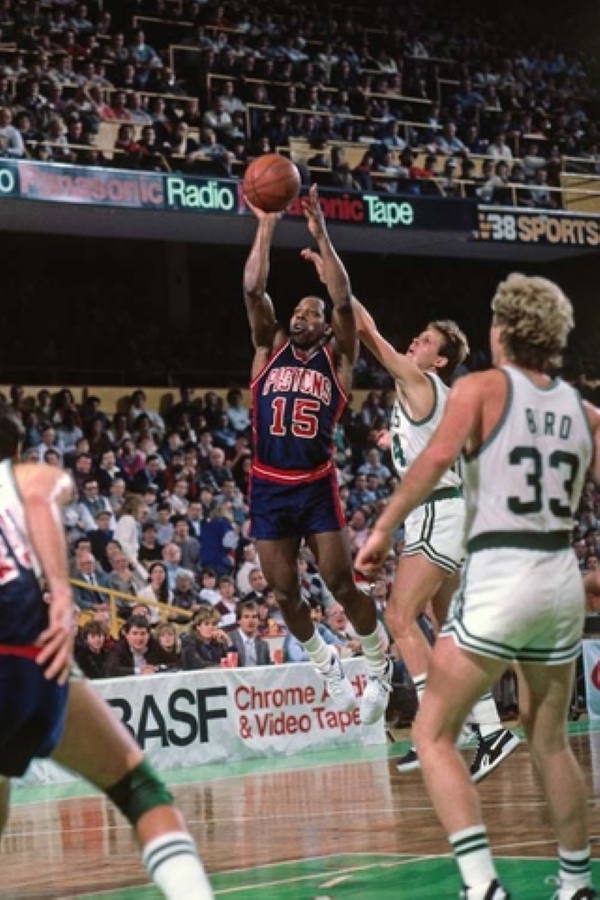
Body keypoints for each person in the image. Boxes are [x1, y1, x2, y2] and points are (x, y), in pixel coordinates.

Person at [356, 273, 600, 900]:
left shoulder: (481, 389)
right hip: (560, 579)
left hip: (503, 575)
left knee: (432, 733)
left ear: (502, 332)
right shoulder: (583, 411)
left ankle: (481, 884)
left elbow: (434, 461)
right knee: (551, 742)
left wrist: (382, 528)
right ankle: (576, 883)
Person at [304, 246, 518, 776]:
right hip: (448, 513)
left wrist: (333, 277)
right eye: (418, 336)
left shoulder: (418, 381)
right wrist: (392, 442)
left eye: (425, 341)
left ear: (438, 360)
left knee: (399, 617)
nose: (415, 342)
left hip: (437, 514)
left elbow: (368, 331)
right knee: (445, 627)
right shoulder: (431, 395)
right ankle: (489, 730)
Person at [0, 409, 213, 899]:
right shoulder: (23, 476)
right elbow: (40, 493)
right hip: (25, 652)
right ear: (16, 452)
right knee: (140, 789)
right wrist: (60, 591)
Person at [242, 183, 390, 723]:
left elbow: (345, 302)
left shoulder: (339, 362)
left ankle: (378, 666)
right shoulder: (268, 350)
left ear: (327, 328)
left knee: (341, 583)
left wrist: (323, 235)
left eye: (313, 310)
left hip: (315, 484)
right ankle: (327, 666)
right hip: (268, 484)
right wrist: (265, 224)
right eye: (298, 310)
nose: (302, 314)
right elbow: (253, 290)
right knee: (284, 594)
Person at [229, 600, 272, 666]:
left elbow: (267, 668)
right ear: (238, 620)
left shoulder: (264, 645)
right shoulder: (228, 640)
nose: (251, 621)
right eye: (246, 617)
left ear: (259, 621)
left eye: (254, 617)